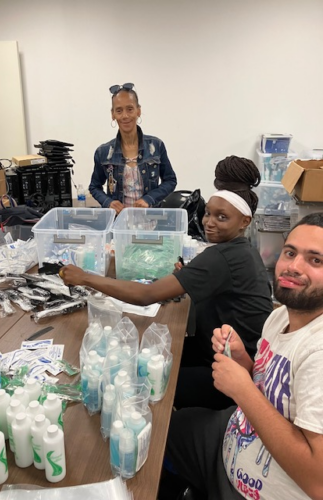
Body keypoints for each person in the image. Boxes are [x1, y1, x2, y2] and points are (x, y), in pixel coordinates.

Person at [61, 155, 273, 410]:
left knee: (145, 379)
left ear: (244, 222)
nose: (208, 223)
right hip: (223, 351)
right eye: (207, 214)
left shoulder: (222, 257)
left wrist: (85, 277)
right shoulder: (241, 250)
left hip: (235, 375)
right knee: (158, 351)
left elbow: (146, 295)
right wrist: (190, 275)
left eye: (222, 218)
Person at [160, 212, 323, 500]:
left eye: (315, 260)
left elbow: (317, 482)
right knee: (156, 431)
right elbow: (268, 385)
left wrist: (243, 389)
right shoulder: (281, 316)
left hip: (256, 489)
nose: (293, 267)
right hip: (233, 437)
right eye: (290, 252)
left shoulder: (317, 351)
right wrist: (242, 361)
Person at [88, 82, 177, 214]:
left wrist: (149, 199)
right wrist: (108, 203)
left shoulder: (156, 146)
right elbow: (94, 187)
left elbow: (170, 180)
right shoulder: (103, 153)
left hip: (151, 223)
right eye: (119, 110)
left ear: (138, 111)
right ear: (113, 114)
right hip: (117, 224)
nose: (125, 116)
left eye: (130, 109)